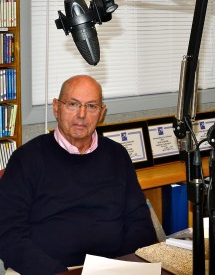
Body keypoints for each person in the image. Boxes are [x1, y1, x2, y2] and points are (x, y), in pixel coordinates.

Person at [0, 75, 157, 275]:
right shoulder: (27, 158)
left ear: (102, 113)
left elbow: (139, 222)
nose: (81, 114)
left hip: (113, 266)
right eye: (73, 104)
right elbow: (8, 234)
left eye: (91, 106)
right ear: (56, 108)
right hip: (47, 270)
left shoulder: (117, 154)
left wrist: (120, 265)